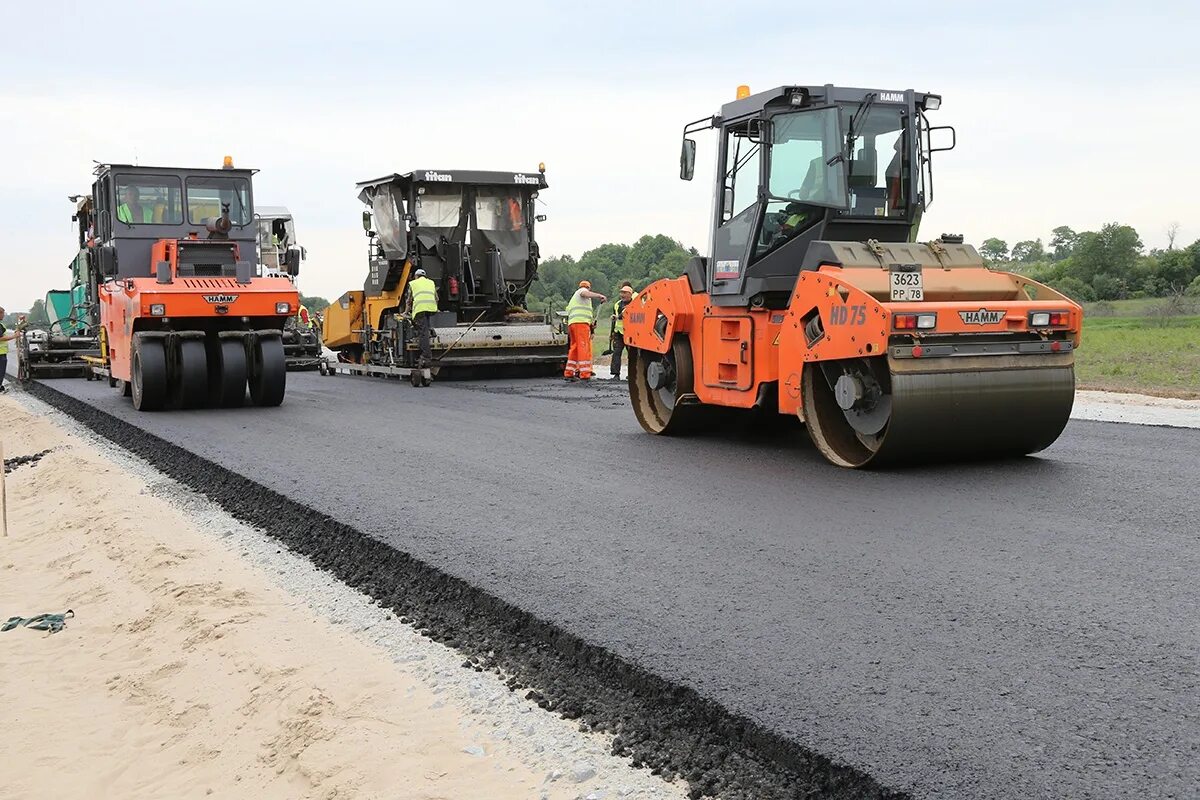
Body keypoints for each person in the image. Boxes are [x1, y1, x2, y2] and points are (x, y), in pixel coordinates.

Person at [564, 280, 606, 381]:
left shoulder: (576, 300)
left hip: (574, 324)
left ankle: (569, 372)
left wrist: (591, 326)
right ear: (588, 288)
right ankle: (585, 373)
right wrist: (599, 295)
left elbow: (582, 313)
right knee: (584, 347)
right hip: (580, 324)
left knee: (575, 347)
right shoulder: (582, 292)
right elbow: (584, 293)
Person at [405, 268, 439, 366]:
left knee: (423, 332)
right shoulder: (431, 283)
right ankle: (430, 332)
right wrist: (436, 308)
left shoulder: (413, 283)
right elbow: (437, 298)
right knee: (425, 327)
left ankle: (426, 355)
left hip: (420, 310)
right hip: (431, 309)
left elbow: (409, 301)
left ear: (416, 276)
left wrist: (406, 312)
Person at [608, 282, 635, 380]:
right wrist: (612, 333)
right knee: (616, 352)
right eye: (621, 293)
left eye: (624, 293)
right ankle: (616, 374)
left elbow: (626, 313)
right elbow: (614, 318)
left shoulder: (634, 304)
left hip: (630, 333)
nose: (622, 295)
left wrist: (618, 317)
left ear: (630, 294)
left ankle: (633, 374)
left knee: (632, 355)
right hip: (619, 332)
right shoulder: (617, 305)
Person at [0, 308, 15, 392]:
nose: (4, 315)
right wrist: (14, 336)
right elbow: (1, 338)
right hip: (0, 353)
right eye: (2, 313)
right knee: (1, 371)